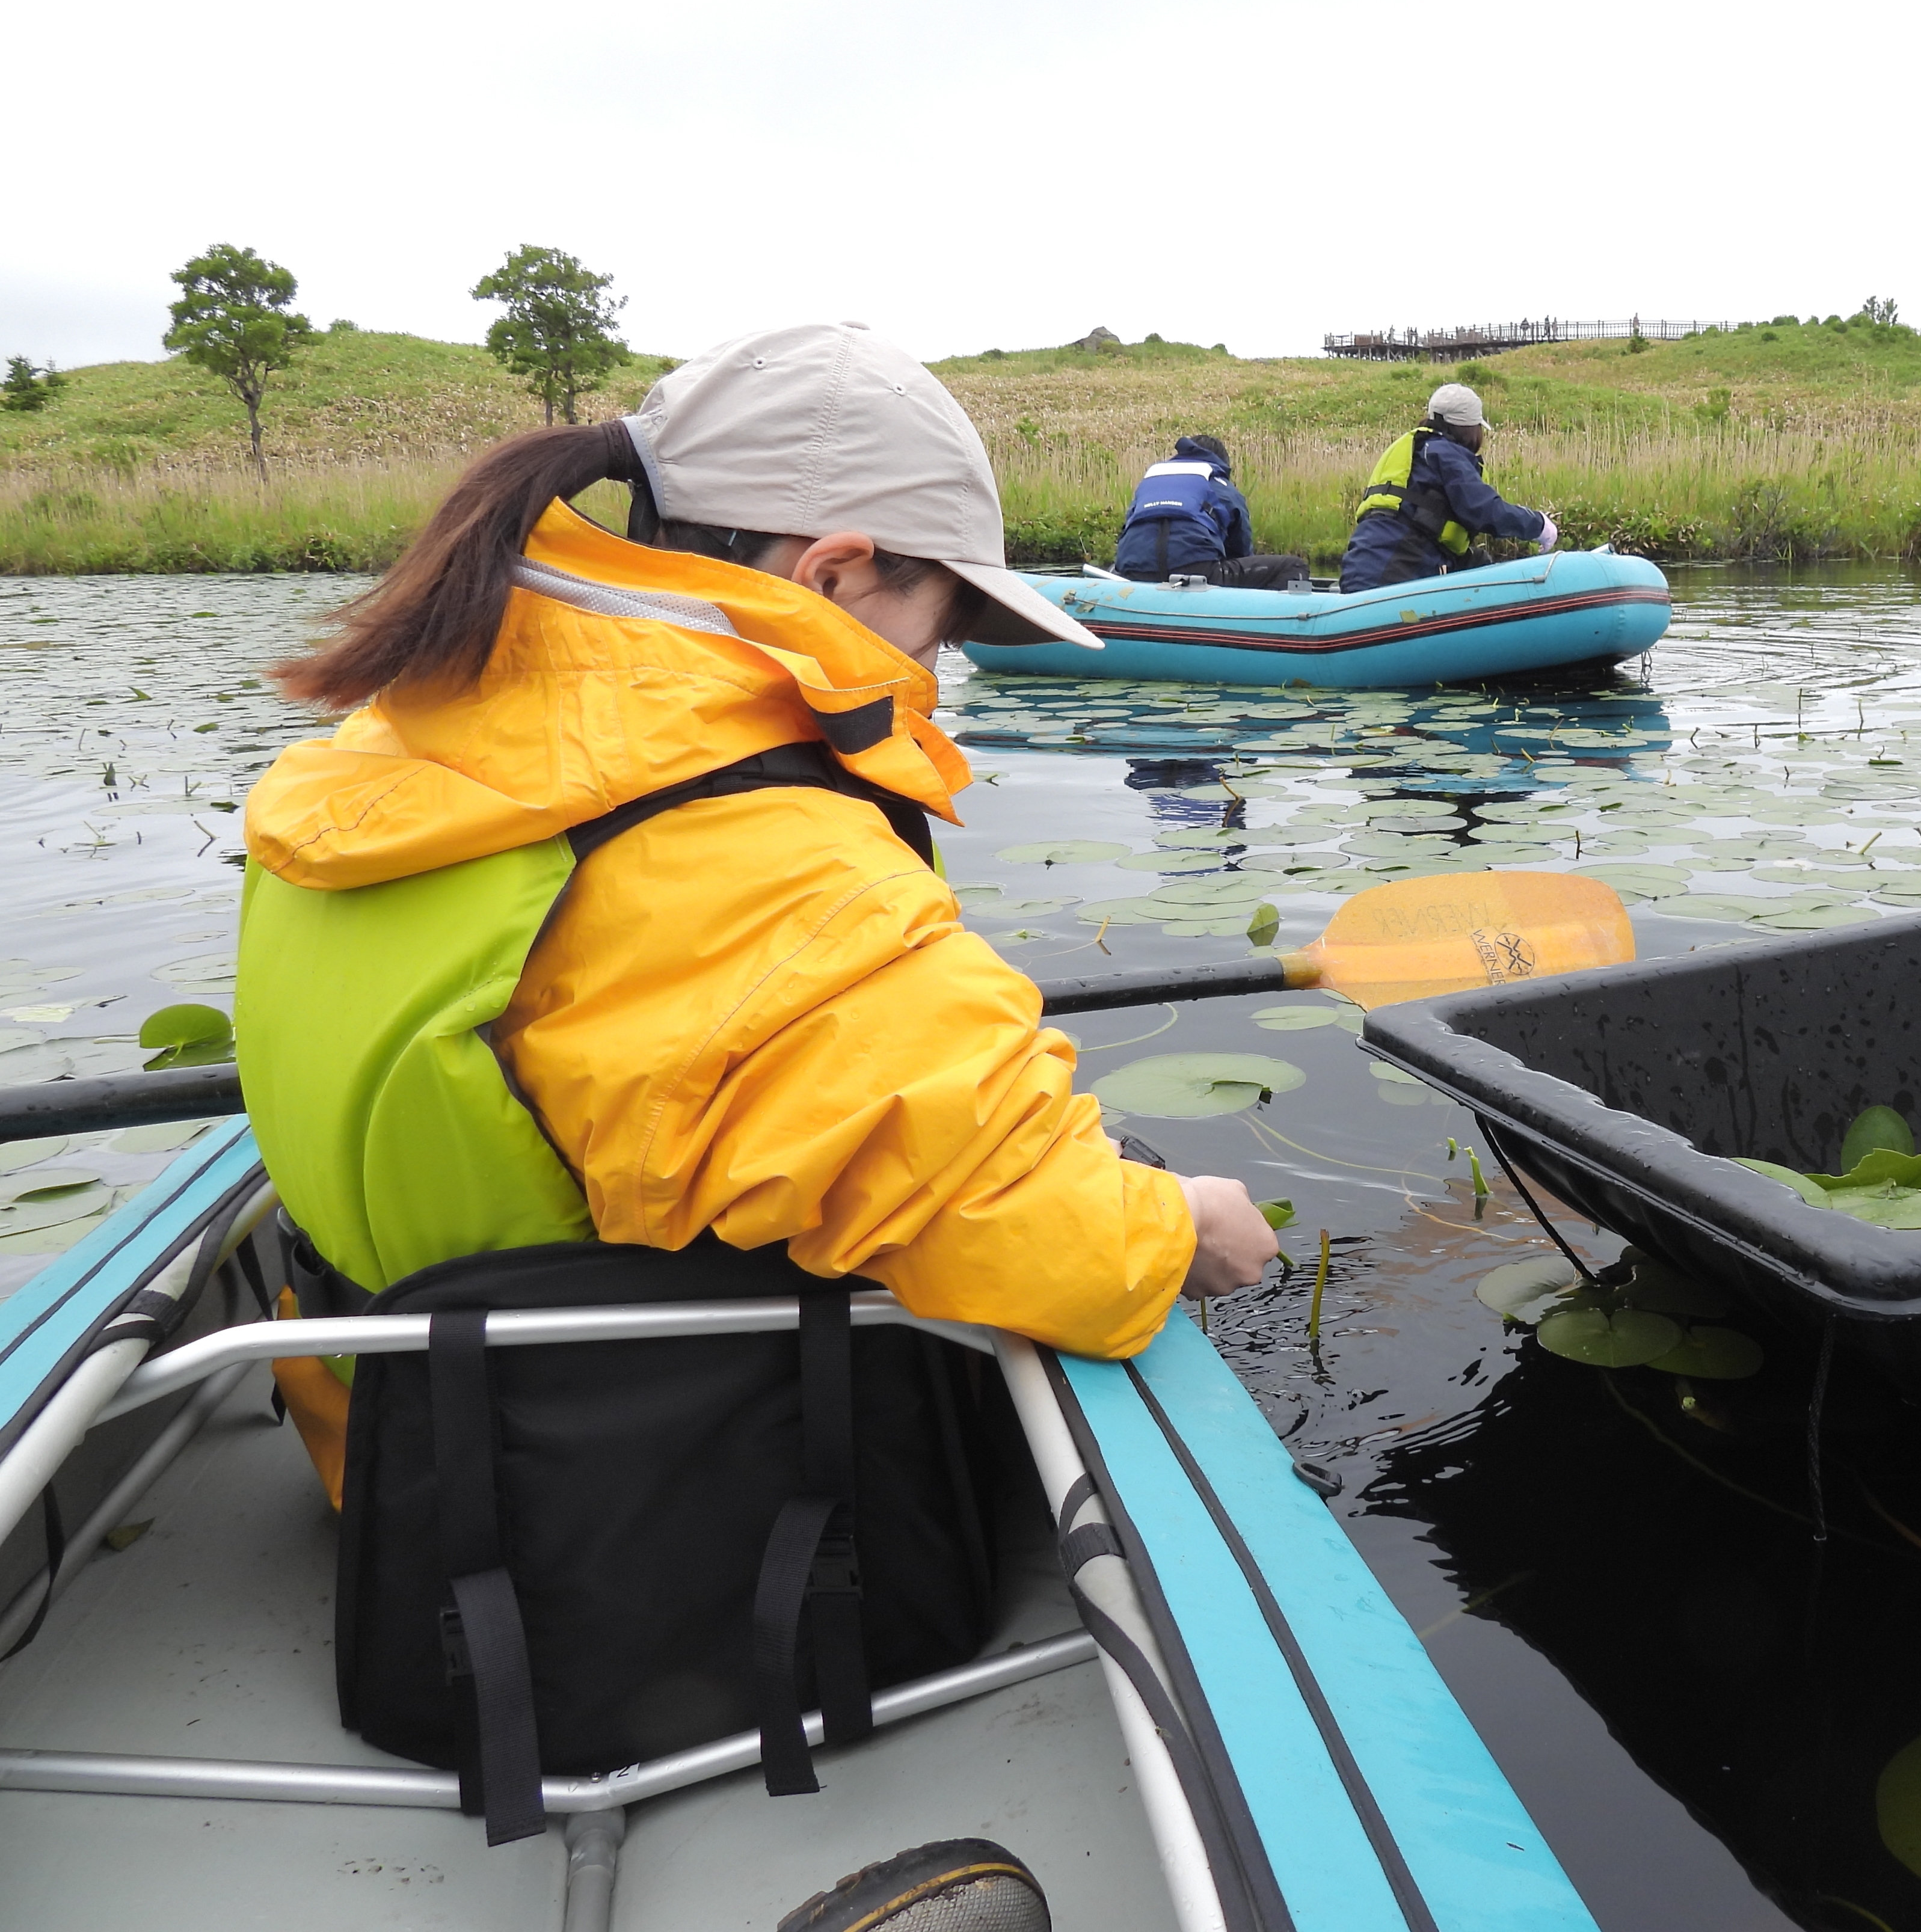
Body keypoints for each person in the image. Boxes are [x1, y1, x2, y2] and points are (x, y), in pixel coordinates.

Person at [239, 321, 1282, 1495]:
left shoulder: (401, 734)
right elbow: (1046, 1236)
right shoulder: (757, 848)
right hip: (611, 1504)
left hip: (396, 1435)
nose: (933, 683)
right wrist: (1185, 1223)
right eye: (938, 630)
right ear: (833, 575)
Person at [1339, 381, 1558, 594]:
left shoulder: (1418, 449)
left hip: (1361, 569)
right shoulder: (1445, 455)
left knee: (1477, 562)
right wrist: (1538, 525)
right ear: (1471, 428)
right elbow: (1484, 510)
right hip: (1393, 575)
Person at [1110, 434, 1306, 587]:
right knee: (1293, 567)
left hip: (1133, 572)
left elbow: (1127, 531)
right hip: (1198, 571)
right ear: (1220, 462)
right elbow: (1241, 551)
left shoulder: (1151, 481)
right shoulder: (1220, 485)